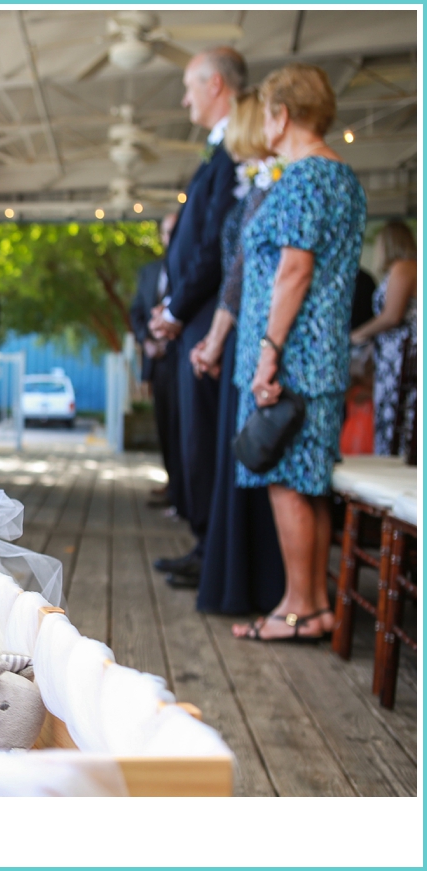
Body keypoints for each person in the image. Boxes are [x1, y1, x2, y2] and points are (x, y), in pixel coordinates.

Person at [231, 63, 367, 642]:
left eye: (266, 112)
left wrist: (268, 352)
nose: (264, 123)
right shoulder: (345, 178)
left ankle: (297, 609)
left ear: (281, 114)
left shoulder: (306, 177)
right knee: (305, 481)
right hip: (322, 356)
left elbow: (293, 271)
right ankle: (313, 606)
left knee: (287, 480)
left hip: (293, 359)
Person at [149, 47, 247, 584]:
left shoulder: (235, 151)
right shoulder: (219, 152)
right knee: (195, 438)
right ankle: (204, 543)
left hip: (209, 318)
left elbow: (215, 245)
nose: (185, 99)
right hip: (195, 317)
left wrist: (178, 308)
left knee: (206, 436)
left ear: (215, 86)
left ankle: (212, 550)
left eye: (190, 87)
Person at [188, 89, 285, 611]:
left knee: (251, 455)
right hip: (241, 332)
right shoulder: (255, 187)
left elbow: (242, 272)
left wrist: (216, 337)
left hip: (251, 334)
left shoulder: (269, 188)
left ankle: (251, 583)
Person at [129, 212, 184, 512]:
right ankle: (173, 483)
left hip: (183, 360)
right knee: (165, 425)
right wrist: (147, 341)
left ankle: (183, 491)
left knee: (183, 428)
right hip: (159, 363)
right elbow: (136, 311)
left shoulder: (191, 268)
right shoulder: (149, 271)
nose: (171, 237)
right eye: (167, 232)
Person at [351, 221, 417, 456]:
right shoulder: (399, 269)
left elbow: (391, 316)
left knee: (400, 415)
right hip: (391, 357)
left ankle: (396, 459)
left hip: (402, 357)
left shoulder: (405, 266)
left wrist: (358, 335)